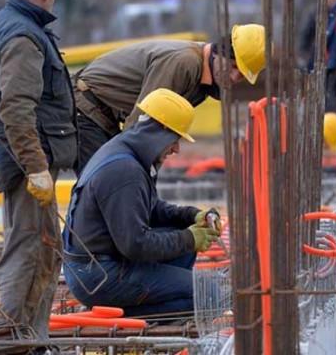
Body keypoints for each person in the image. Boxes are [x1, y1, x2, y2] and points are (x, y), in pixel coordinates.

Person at [0, 0, 75, 341]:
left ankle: (30, 341)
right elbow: (14, 109)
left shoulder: (5, 24)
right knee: (30, 253)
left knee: (42, 250)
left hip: (19, 158)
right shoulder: (22, 36)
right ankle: (12, 342)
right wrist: (35, 167)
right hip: (24, 164)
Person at [62, 88, 221, 316]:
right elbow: (135, 245)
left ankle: (147, 296)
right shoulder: (125, 171)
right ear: (161, 131)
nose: (176, 148)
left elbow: (150, 208)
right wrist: (188, 238)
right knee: (209, 294)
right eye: (175, 139)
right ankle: (122, 311)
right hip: (98, 276)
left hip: (97, 266)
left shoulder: (127, 153)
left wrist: (191, 216)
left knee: (184, 243)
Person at [73, 24, 266, 174]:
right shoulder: (185, 63)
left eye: (240, 75)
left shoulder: (203, 80)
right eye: (232, 66)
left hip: (105, 114)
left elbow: (161, 129)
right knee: (107, 183)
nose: (233, 78)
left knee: (117, 180)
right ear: (218, 52)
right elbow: (142, 121)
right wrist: (142, 174)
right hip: (87, 106)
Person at [302, 0, 336, 112]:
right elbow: (305, 37)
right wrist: (308, 55)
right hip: (318, 61)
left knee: (333, 94)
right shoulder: (315, 14)